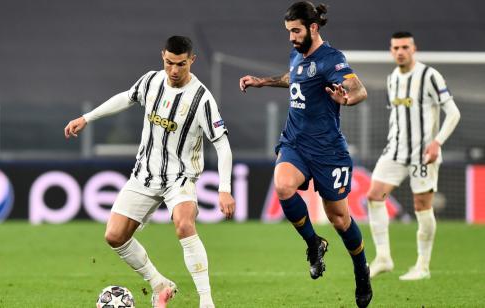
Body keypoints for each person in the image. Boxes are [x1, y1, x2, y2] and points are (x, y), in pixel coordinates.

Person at [64, 35, 235, 308]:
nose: (174, 71)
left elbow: (222, 145)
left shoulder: (201, 99)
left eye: (181, 64)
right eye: (169, 63)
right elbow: (126, 97)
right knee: (115, 236)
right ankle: (159, 284)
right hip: (144, 173)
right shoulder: (151, 81)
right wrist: (86, 118)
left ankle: (206, 301)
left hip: (180, 177)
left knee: (184, 224)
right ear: (162, 57)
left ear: (192, 60)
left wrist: (224, 189)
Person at [239, 2, 372, 307]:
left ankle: (361, 271)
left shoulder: (333, 59)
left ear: (313, 28)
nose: (291, 37)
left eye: (296, 30)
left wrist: (346, 98)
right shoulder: (298, 53)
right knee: (283, 186)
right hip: (295, 143)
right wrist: (263, 82)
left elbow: (359, 90)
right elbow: (293, 77)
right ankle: (314, 244)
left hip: (328, 151)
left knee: (339, 219)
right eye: (289, 31)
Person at [367, 31, 461, 280]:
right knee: (376, 195)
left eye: (404, 47)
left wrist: (437, 143)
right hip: (395, 152)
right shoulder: (392, 79)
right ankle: (383, 258)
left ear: (413, 49)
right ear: (391, 50)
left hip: (423, 155)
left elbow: (453, 113)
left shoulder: (429, 76)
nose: (400, 51)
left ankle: (422, 265)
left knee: (422, 206)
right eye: (395, 47)